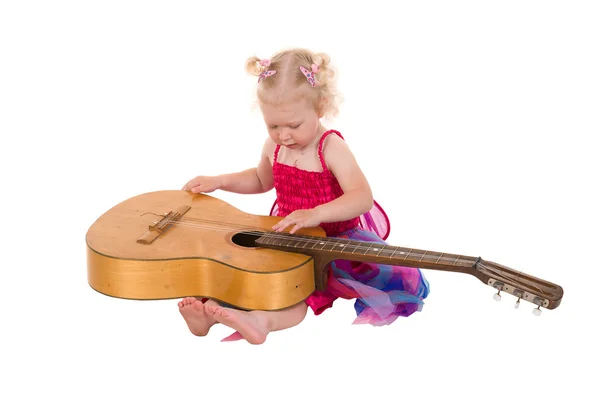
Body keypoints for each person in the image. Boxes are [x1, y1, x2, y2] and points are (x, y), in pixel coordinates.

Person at [179, 48, 430, 344]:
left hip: (332, 242)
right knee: (247, 271)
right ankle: (210, 311)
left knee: (298, 290)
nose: (283, 135)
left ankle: (261, 321)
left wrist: (316, 214)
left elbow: (361, 197)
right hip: (286, 236)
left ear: (320, 106)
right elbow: (261, 179)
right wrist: (220, 181)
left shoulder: (329, 147)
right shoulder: (274, 147)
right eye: (273, 126)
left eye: (294, 126)